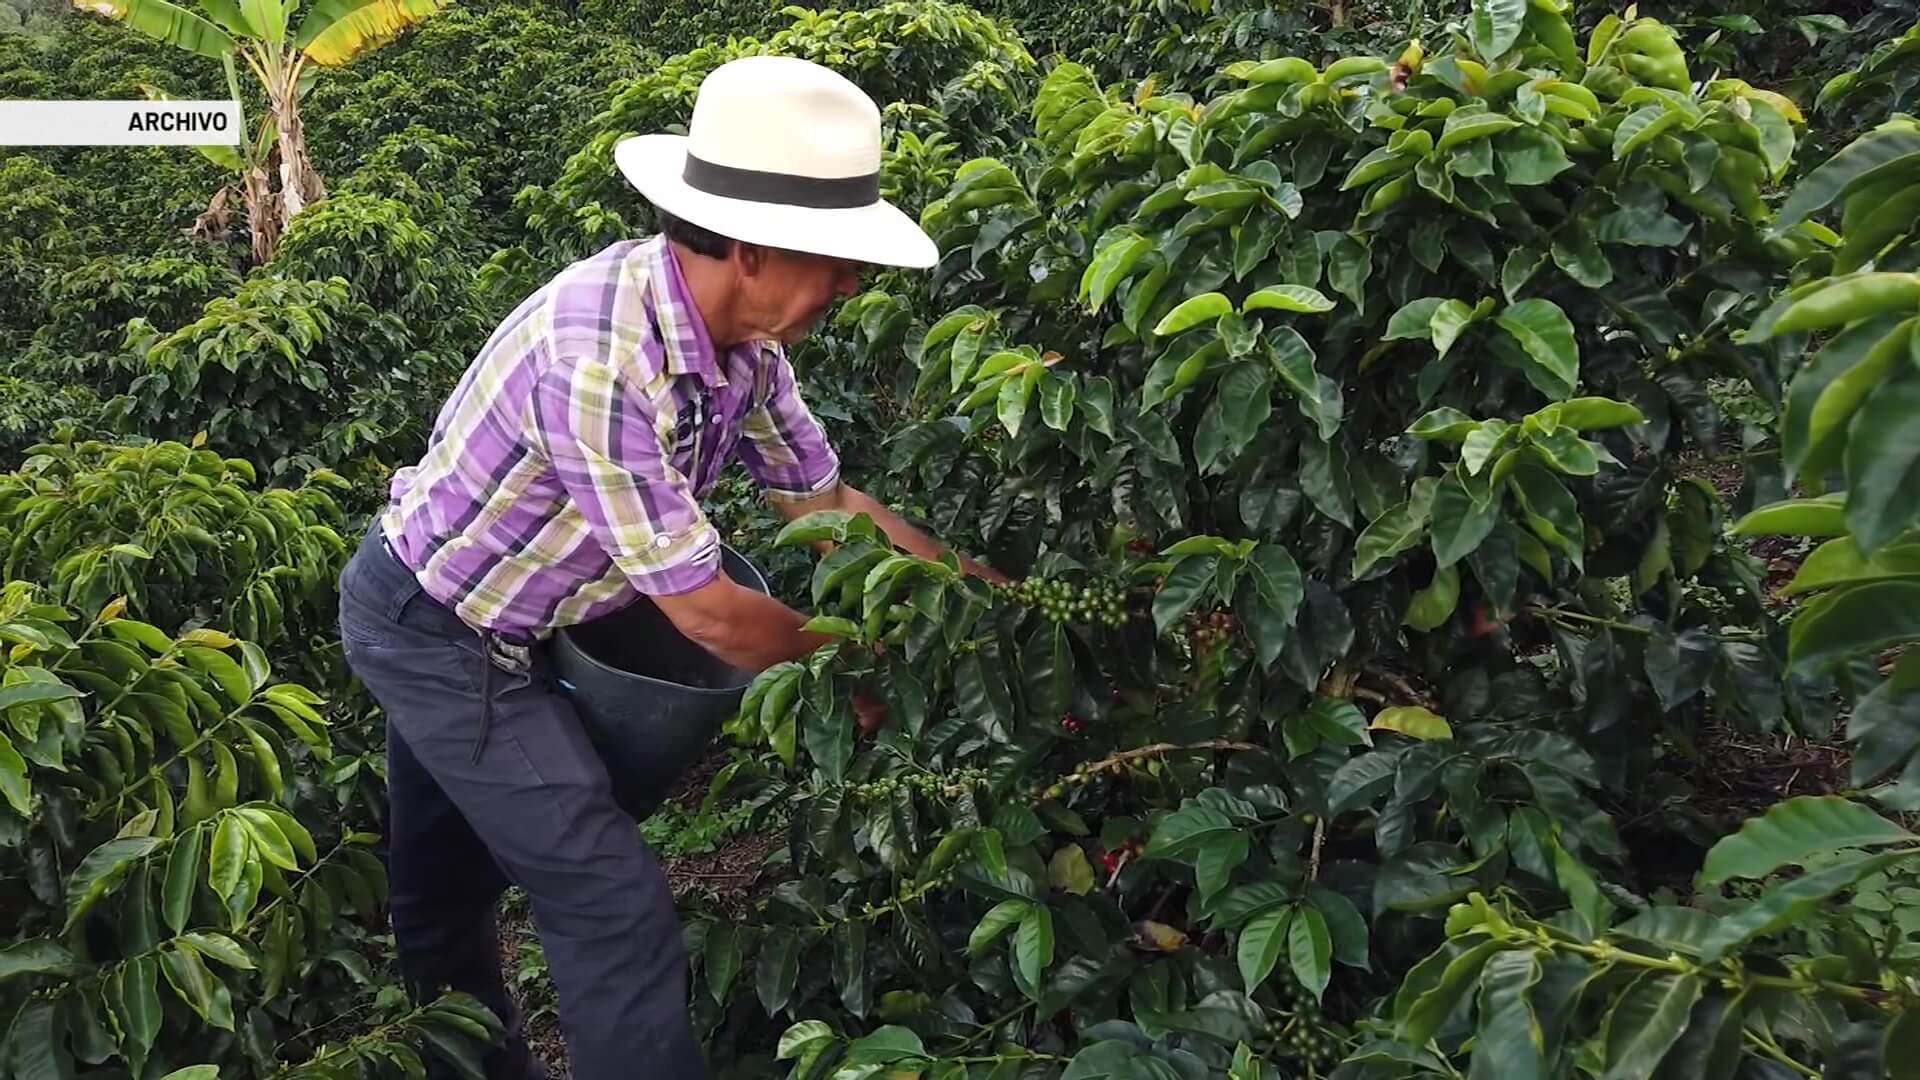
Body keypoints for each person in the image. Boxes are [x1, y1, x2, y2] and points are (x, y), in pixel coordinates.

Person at [334, 55, 1007, 1080]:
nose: (851, 285)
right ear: (749, 247)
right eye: (833, 260)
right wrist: (856, 669)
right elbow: (707, 613)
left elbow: (824, 507)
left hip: (522, 614)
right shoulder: (600, 355)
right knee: (610, 905)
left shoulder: (748, 353)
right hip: (436, 629)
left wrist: (988, 599)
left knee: (439, 901)